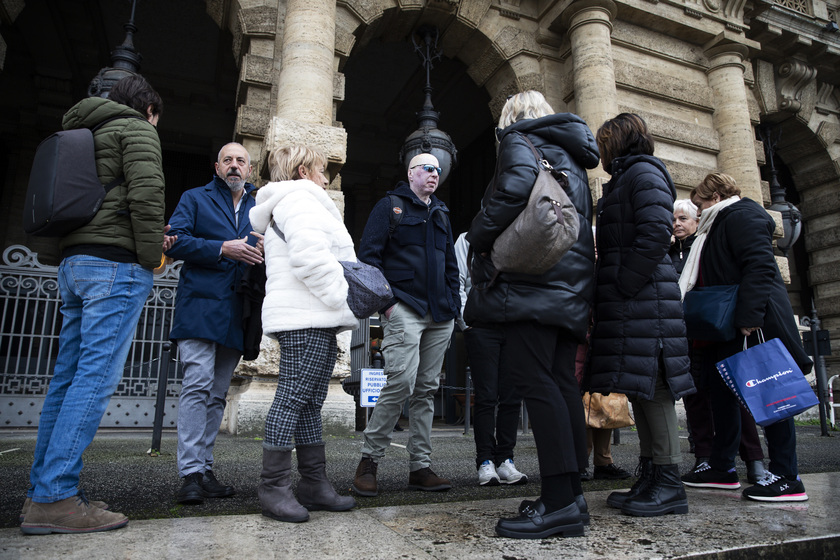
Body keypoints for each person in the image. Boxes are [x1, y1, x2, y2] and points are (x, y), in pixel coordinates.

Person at [21, 74, 165, 535]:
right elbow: (146, 198)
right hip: (114, 266)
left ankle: (43, 491)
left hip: (75, 264)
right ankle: (58, 498)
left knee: (66, 379)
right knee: (95, 379)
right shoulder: (138, 130)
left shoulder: (82, 131)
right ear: (148, 109)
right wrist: (151, 260)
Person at [466, 90, 600, 539]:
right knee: (561, 384)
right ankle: (571, 495)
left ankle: (559, 504)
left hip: (532, 285)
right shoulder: (572, 156)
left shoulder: (519, 142)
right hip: (570, 288)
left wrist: (478, 235)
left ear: (511, 118)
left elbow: (514, 189)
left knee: (538, 384)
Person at [587, 113, 695, 518]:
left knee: (658, 390)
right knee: (643, 390)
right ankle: (651, 475)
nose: (600, 150)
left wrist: (623, 286)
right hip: (636, 301)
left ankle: (668, 482)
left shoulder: (644, 173)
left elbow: (653, 234)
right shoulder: (628, 176)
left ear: (618, 141)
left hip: (644, 300)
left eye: (604, 142)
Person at [679, 172, 811, 502]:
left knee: (771, 396)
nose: (697, 211)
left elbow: (761, 267)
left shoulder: (741, 216)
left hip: (750, 324)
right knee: (722, 394)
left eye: (699, 204)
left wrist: (749, 317)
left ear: (715, 197)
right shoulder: (720, 221)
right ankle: (722, 467)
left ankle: (786, 475)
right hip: (725, 326)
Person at [248, 145, 357, 523]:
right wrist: (344, 298)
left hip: (311, 314)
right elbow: (310, 257)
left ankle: (313, 483)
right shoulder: (300, 199)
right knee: (292, 397)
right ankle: (274, 487)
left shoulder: (295, 200)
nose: (326, 178)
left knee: (309, 401)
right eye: (321, 170)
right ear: (301, 171)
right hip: (306, 314)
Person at [352, 152, 460, 497]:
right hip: (405, 307)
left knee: (427, 389)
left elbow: (451, 267)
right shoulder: (391, 206)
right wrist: (388, 305)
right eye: (428, 169)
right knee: (400, 382)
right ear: (412, 173)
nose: (435, 174)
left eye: (438, 171)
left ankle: (420, 467)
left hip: (439, 314)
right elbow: (368, 257)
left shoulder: (441, 211)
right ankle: (370, 460)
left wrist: (454, 306)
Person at [165, 142, 263, 505]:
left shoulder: (259, 206)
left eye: (241, 161)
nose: (234, 166)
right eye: (228, 160)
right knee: (197, 384)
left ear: (249, 171)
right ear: (217, 167)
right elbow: (174, 243)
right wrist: (222, 248)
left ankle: (204, 469)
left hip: (239, 312)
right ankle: (189, 473)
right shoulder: (194, 198)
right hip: (199, 308)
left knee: (218, 392)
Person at [672, 199, 766, 484]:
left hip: (718, 328)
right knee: (696, 397)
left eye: (682, 218)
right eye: (673, 219)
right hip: (687, 333)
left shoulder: (706, 245)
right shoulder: (666, 252)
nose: (676, 224)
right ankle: (705, 458)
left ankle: (754, 460)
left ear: (696, 222)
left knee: (736, 396)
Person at [454, 233, 528, 487]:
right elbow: (457, 280)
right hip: (481, 325)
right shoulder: (468, 239)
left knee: (511, 396)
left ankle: (506, 459)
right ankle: (485, 461)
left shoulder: (521, 234)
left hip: (514, 324)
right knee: (486, 396)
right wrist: (466, 324)